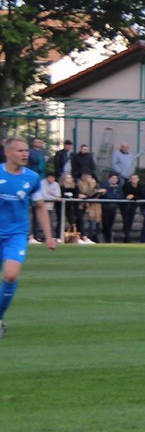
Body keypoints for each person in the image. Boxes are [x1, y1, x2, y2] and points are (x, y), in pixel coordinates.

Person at [0, 137, 58, 339]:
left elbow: (40, 208)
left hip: (16, 235)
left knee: (10, 275)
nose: (25, 154)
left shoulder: (32, 178)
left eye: (26, 150)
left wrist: (49, 236)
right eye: (20, 151)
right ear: (8, 153)